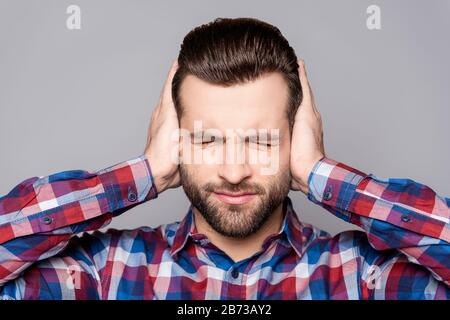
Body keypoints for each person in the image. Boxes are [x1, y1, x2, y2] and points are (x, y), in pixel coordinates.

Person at [0, 18, 448, 300]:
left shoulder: (361, 276)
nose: (234, 172)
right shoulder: (103, 272)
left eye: (262, 141)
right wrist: (146, 172)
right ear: (174, 140)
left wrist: (319, 175)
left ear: (297, 139)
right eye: (208, 139)